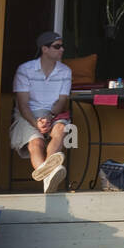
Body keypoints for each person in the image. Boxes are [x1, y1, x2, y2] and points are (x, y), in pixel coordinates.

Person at [10, 31, 73, 193]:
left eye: (62, 46)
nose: (62, 49)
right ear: (44, 49)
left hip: (52, 113)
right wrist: (35, 122)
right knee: (36, 143)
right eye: (57, 46)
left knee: (61, 129)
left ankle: (48, 174)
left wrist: (49, 117)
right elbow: (23, 104)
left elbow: (62, 101)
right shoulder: (25, 69)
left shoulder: (65, 71)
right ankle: (49, 175)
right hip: (28, 114)